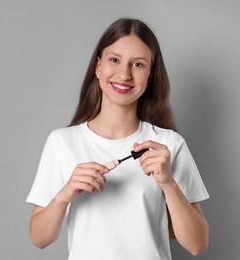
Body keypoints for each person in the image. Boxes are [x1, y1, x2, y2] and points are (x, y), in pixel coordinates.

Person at [26, 18, 210, 259]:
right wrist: (65, 194)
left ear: (151, 75)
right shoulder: (62, 142)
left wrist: (168, 184)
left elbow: (197, 244)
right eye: (114, 60)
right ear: (98, 67)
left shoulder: (169, 145)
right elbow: (40, 239)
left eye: (138, 64)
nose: (124, 74)